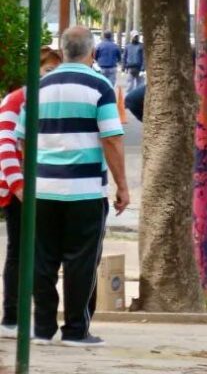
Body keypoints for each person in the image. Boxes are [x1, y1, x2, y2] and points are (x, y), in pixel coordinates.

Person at [15, 26, 130, 347]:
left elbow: (22, 138)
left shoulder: (38, 87)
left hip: (42, 190)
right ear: (91, 52)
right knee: (81, 261)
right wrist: (122, 186)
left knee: (42, 259)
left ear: (63, 50)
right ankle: (76, 330)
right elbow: (112, 138)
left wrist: (32, 174)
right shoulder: (100, 86)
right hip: (85, 191)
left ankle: (42, 329)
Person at [0, 47, 63, 339]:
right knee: (19, 251)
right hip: (19, 191)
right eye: (48, 70)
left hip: (45, 187)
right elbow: (6, 149)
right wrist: (19, 187)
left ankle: (34, 318)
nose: (52, 76)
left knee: (41, 253)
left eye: (55, 71)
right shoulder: (17, 100)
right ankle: (11, 317)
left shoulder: (48, 100)